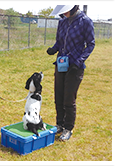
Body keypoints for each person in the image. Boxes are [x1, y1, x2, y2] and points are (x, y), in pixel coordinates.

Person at [46, 5, 95, 141]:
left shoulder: (85, 21)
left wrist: (79, 61)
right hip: (61, 64)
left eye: (65, 12)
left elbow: (90, 44)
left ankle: (68, 128)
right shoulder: (62, 22)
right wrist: (53, 49)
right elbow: (59, 42)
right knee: (59, 96)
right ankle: (59, 124)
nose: (63, 15)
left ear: (73, 8)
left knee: (68, 98)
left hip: (75, 66)